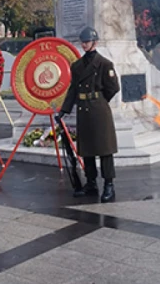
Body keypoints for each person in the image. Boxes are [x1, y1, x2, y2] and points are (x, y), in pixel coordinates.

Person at [58, 26, 120, 202]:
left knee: (105, 149)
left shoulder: (104, 64)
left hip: (99, 110)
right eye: (83, 42)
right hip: (83, 109)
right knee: (87, 149)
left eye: (87, 41)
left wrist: (99, 100)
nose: (84, 44)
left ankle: (109, 184)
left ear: (95, 42)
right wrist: (64, 110)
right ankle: (91, 183)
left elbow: (113, 87)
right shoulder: (77, 66)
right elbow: (73, 90)